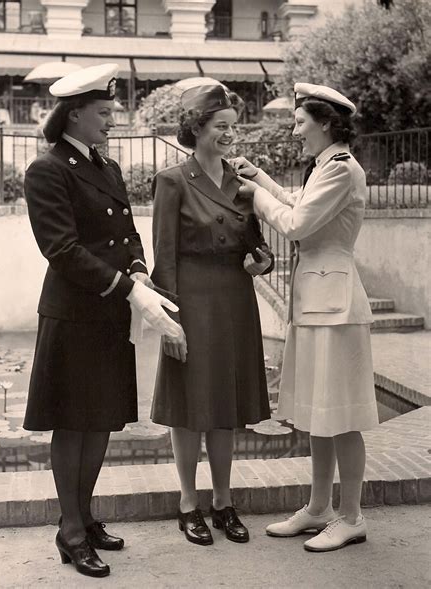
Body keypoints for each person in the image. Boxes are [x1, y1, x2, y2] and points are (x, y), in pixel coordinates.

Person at [22, 63, 183, 578]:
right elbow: (61, 250)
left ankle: (85, 517)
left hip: (111, 310)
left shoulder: (106, 167)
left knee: (100, 421)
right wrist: (128, 287)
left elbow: (129, 233)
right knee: (72, 423)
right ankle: (69, 531)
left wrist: (138, 268)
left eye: (112, 111)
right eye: (104, 113)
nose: (113, 120)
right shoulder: (48, 169)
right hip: (74, 315)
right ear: (74, 115)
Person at [232, 82, 379, 552]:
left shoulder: (340, 169)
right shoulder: (325, 167)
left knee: (344, 414)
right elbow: (299, 205)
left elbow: (295, 224)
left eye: (300, 122)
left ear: (327, 123)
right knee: (319, 413)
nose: (295, 132)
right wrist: (263, 178)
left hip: (335, 307)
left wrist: (254, 193)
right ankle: (319, 508)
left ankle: (351, 515)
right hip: (318, 303)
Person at [150, 83, 274, 546]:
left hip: (234, 302)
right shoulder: (172, 180)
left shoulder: (242, 185)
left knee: (225, 407)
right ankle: (188, 503)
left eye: (232, 128)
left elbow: (255, 245)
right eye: (221, 127)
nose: (229, 135)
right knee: (189, 409)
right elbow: (164, 255)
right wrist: (168, 319)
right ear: (197, 129)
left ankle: (224, 501)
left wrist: (263, 262)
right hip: (191, 302)